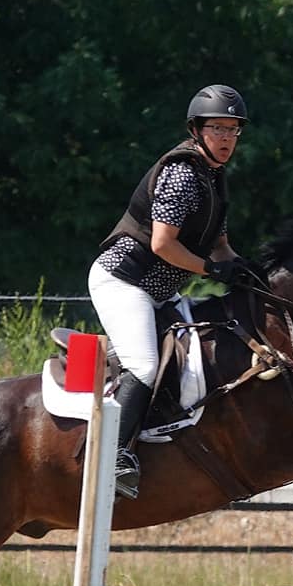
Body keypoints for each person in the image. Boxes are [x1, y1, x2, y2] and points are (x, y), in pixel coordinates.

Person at [89, 83, 256, 499]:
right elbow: (163, 244)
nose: (225, 138)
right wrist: (210, 268)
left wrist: (242, 268)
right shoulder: (183, 174)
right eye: (217, 128)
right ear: (196, 130)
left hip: (161, 294)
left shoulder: (214, 179)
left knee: (201, 353)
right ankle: (112, 456)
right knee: (145, 366)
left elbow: (218, 243)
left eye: (233, 130)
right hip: (123, 282)